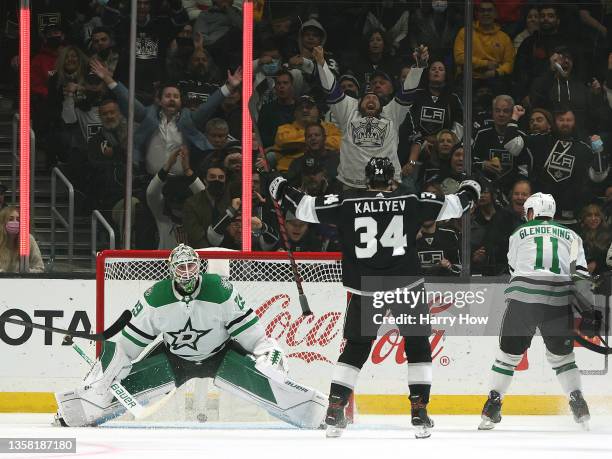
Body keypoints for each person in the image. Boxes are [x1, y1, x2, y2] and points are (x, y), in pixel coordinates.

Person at [268, 157, 481, 438]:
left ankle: (335, 409)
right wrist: (471, 187)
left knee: (356, 348)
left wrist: (278, 184)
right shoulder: (411, 198)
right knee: (417, 345)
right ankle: (419, 410)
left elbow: (303, 207)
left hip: (366, 288)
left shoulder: (346, 201)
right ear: (392, 178)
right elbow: (457, 204)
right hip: (406, 285)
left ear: (365, 179)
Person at [55, 244, 326, 428]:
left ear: (199, 266)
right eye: (181, 267)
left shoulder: (220, 291)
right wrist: (105, 375)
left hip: (222, 357)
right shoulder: (156, 298)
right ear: (171, 269)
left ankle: (316, 414)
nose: (186, 273)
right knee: (111, 390)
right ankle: (74, 413)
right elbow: (126, 348)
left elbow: (256, 339)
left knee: (270, 383)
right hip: (174, 360)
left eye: (190, 266)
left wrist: (270, 358)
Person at [479, 193, 591, 430]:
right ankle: (578, 402)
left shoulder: (518, 233)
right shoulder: (572, 236)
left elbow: (514, 268)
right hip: (558, 300)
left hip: (523, 300)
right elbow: (579, 275)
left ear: (530, 213)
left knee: (507, 358)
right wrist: (588, 309)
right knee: (562, 359)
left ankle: (492, 406)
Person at [90, 58, 242, 175]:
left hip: (184, 177)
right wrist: (107, 79)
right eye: (167, 96)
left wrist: (229, 87)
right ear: (160, 100)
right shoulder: (148, 115)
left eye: (175, 96)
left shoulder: (189, 118)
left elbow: (209, 104)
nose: (171, 99)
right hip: (150, 176)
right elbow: (128, 99)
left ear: (181, 101)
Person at [311, 45, 422, 189]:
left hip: (388, 184)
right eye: (367, 98)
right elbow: (331, 90)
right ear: (358, 103)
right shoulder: (348, 112)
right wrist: (322, 64)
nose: (371, 100)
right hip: (352, 185)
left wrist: (418, 67)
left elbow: (407, 93)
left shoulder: (391, 113)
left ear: (382, 106)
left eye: (375, 99)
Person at [0, 206, 44, 273]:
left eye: (18, 220)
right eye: (10, 219)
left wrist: (27, 272)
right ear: (3, 223)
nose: (15, 222)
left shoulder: (28, 239)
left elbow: (40, 268)